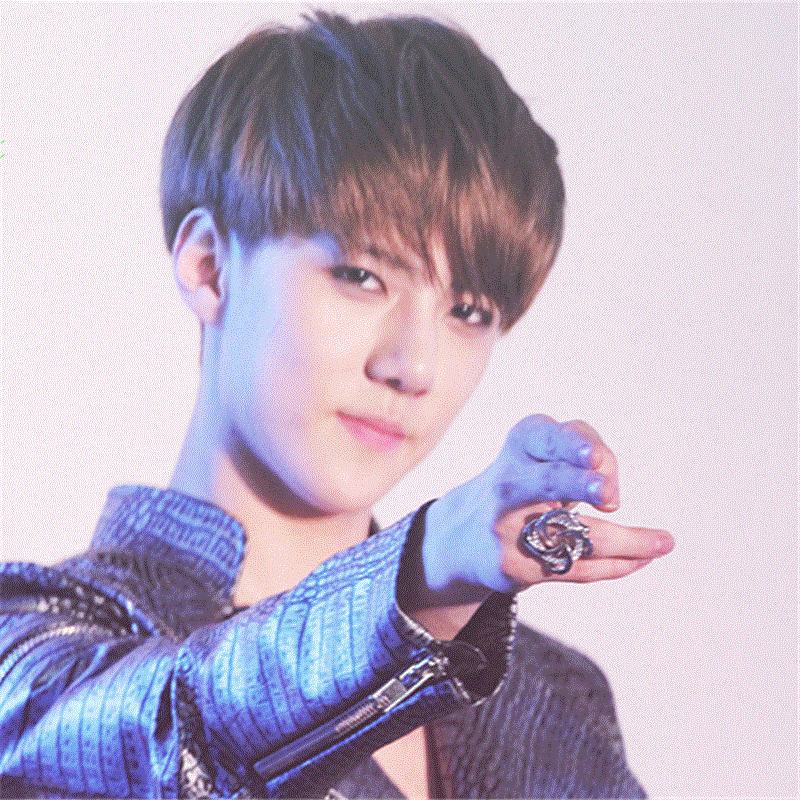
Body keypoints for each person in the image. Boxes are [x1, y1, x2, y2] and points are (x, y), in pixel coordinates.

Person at [0, 11, 673, 799]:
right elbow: (166, 736)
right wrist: (419, 577)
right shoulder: (41, 653)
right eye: (361, 276)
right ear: (210, 265)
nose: (413, 365)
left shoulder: (555, 703)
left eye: (468, 311)